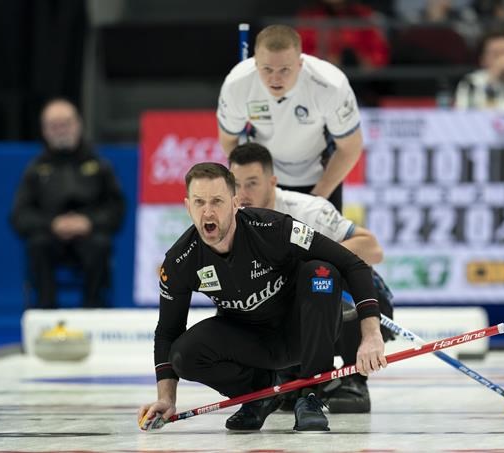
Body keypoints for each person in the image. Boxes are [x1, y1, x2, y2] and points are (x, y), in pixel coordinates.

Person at [138, 163, 386, 432]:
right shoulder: (180, 261)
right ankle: (260, 394)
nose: (207, 212)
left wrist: (371, 334)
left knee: (321, 272)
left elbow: (354, 264)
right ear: (188, 206)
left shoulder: (273, 227)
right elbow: (167, 332)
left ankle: (311, 396)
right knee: (182, 355)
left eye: (217, 201)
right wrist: (166, 398)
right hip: (252, 344)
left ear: (235, 203)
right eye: (199, 202)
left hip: (303, 332)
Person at [228, 142, 395, 414]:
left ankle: (353, 378)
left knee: (322, 275)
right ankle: (292, 374)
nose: (243, 194)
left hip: (355, 305)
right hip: (300, 314)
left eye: (252, 183)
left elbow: (372, 248)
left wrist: (318, 255)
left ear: (272, 182)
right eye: (236, 184)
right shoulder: (231, 221)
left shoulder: (308, 209)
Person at [217, 24, 364, 212]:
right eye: (267, 69)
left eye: (284, 70)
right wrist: (246, 180)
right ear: (255, 64)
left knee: (325, 232)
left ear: (300, 65)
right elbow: (228, 139)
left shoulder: (330, 85)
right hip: (265, 180)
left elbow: (350, 147)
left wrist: (315, 199)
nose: (275, 79)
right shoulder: (237, 84)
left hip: (320, 177)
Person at [10, 98, 125, 309]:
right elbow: (20, 215)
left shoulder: (100, 166)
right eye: (54, 126)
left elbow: (116, 209)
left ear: (78, 124)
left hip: (89, 235)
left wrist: (89, 222)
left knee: (101, 244)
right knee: (37, 244)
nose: (61, 130)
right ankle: (46, 311)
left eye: (66, 124)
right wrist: (51, 224)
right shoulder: (35, 170)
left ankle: (92, 310)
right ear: (44, 130)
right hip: (50, 235)